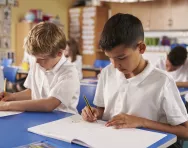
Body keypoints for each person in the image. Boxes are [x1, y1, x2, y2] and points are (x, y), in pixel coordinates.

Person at [81, 13, 188, 147]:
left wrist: (141, 122)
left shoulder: (163, 82)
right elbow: (102, 110)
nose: (115, 65)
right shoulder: (107, 73)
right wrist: (94, 113)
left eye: (121, 57)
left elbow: (185, 131)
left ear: (141, 48)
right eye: (110, 57)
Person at [0, 22, 80, 114]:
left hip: (63, 121)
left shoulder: (69, 72)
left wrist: (8, 105)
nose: (37, 62)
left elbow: (50, 104)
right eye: (35, 57)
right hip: (39, 117)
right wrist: (12, 96)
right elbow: (33, 92)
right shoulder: (38, 64)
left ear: (59, 53)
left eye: (42, 58)